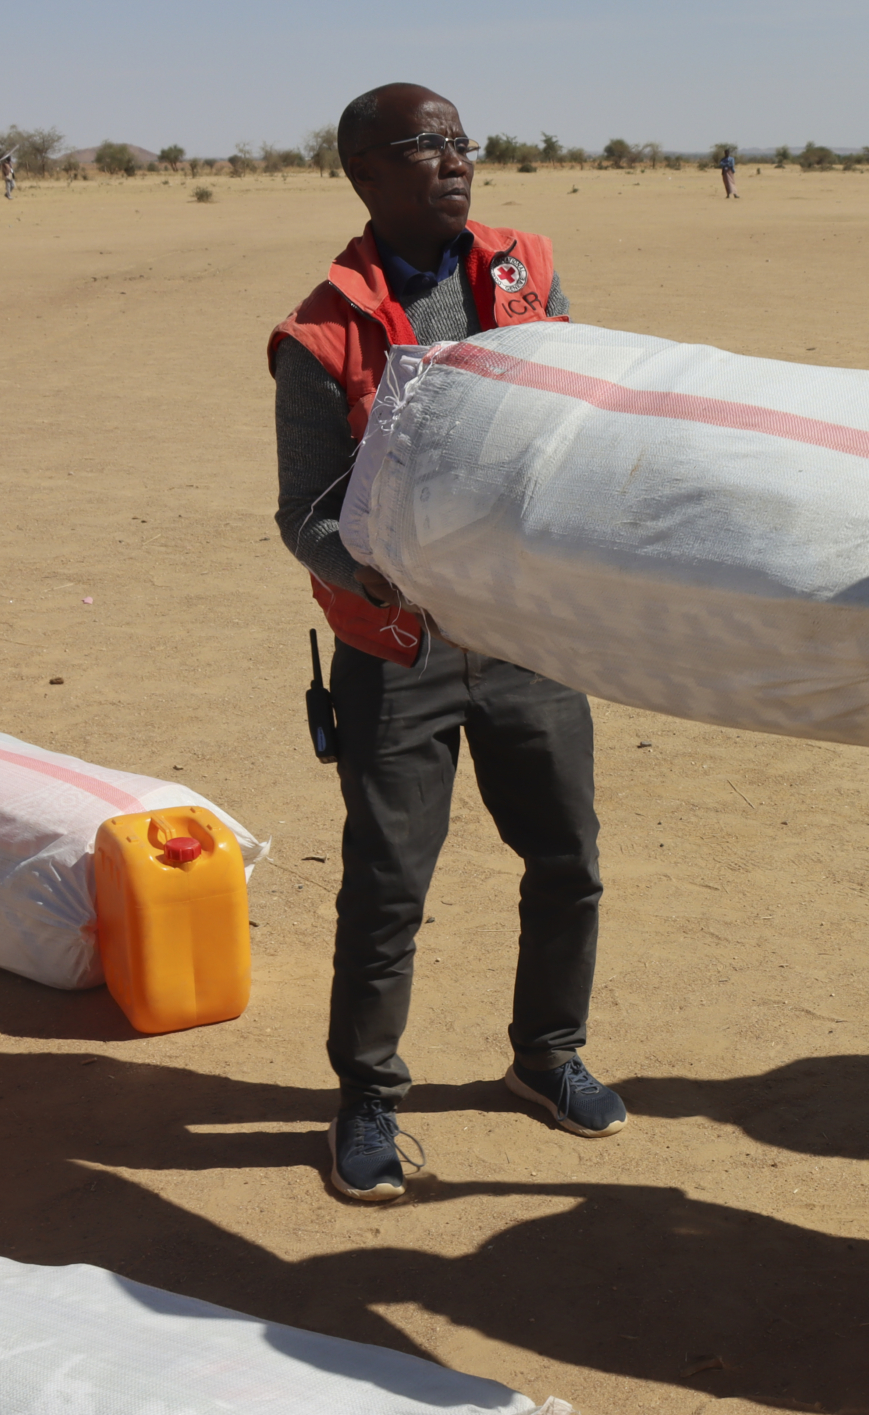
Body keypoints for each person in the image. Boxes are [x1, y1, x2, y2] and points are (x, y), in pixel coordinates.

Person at [269, 81, 622, 1205]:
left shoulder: (523, 270)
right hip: (399, 652)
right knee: (386, 887)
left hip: (526, 639)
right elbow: (303, 516)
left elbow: (575, 411)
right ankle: (368, 1098)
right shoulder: (320, 334)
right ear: (365, 172)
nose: (455, 159)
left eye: (462, 141)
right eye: (425, 145)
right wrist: (378, 564)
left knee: (567, 859)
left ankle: (545, 1054)